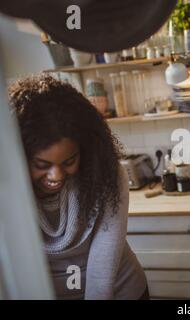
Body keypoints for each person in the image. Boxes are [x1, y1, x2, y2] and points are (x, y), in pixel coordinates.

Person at [8, 74, 148, 300]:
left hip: (120, 291)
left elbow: (100, 274)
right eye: (42, 165)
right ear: (20, 156)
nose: (56, 175)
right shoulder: (7, 192)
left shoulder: (107, 175)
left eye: (69, 161)